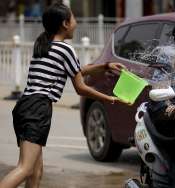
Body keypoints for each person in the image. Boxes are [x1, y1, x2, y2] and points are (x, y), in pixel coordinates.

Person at [0, 3, 129, 188]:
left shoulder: (44, 43)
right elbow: (80, 87)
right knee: (26, 168)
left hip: (25, 106)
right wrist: (108, 98)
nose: (76, 22)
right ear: (65, 23)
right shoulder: (65, 49)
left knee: (36, 172)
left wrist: (106, 66)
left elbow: (75, 70)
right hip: (37, 108)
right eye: (74, 18)